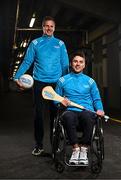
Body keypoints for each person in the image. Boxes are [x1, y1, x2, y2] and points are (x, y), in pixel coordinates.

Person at [13, 16, 69, 156]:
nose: (49, 28)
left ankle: (55, 145)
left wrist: (66, 84)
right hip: (39, 83)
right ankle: (39, 145)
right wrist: (16, 76)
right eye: (46, 26)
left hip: (55, 83)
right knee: (38, 115)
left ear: (54, 28)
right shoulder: (35, 43)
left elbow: (65, 65)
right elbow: (27, 61)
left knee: (54, 116)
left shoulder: (60, 44)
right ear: (42, 27)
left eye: (51, 26)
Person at [55, 51, 104, 165]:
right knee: (68, 116)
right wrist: (61, 102)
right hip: (69, 111)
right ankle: (76, 149)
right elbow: (55, 99)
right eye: (75, 61)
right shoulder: (62, 80)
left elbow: (96, 99)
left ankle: (84, 149)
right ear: (71, 63)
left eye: (81, 62)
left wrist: (100, 109)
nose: (78, 64)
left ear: (84, 65)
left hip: (86, 111)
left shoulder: (90, 81)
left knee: (88, 116)